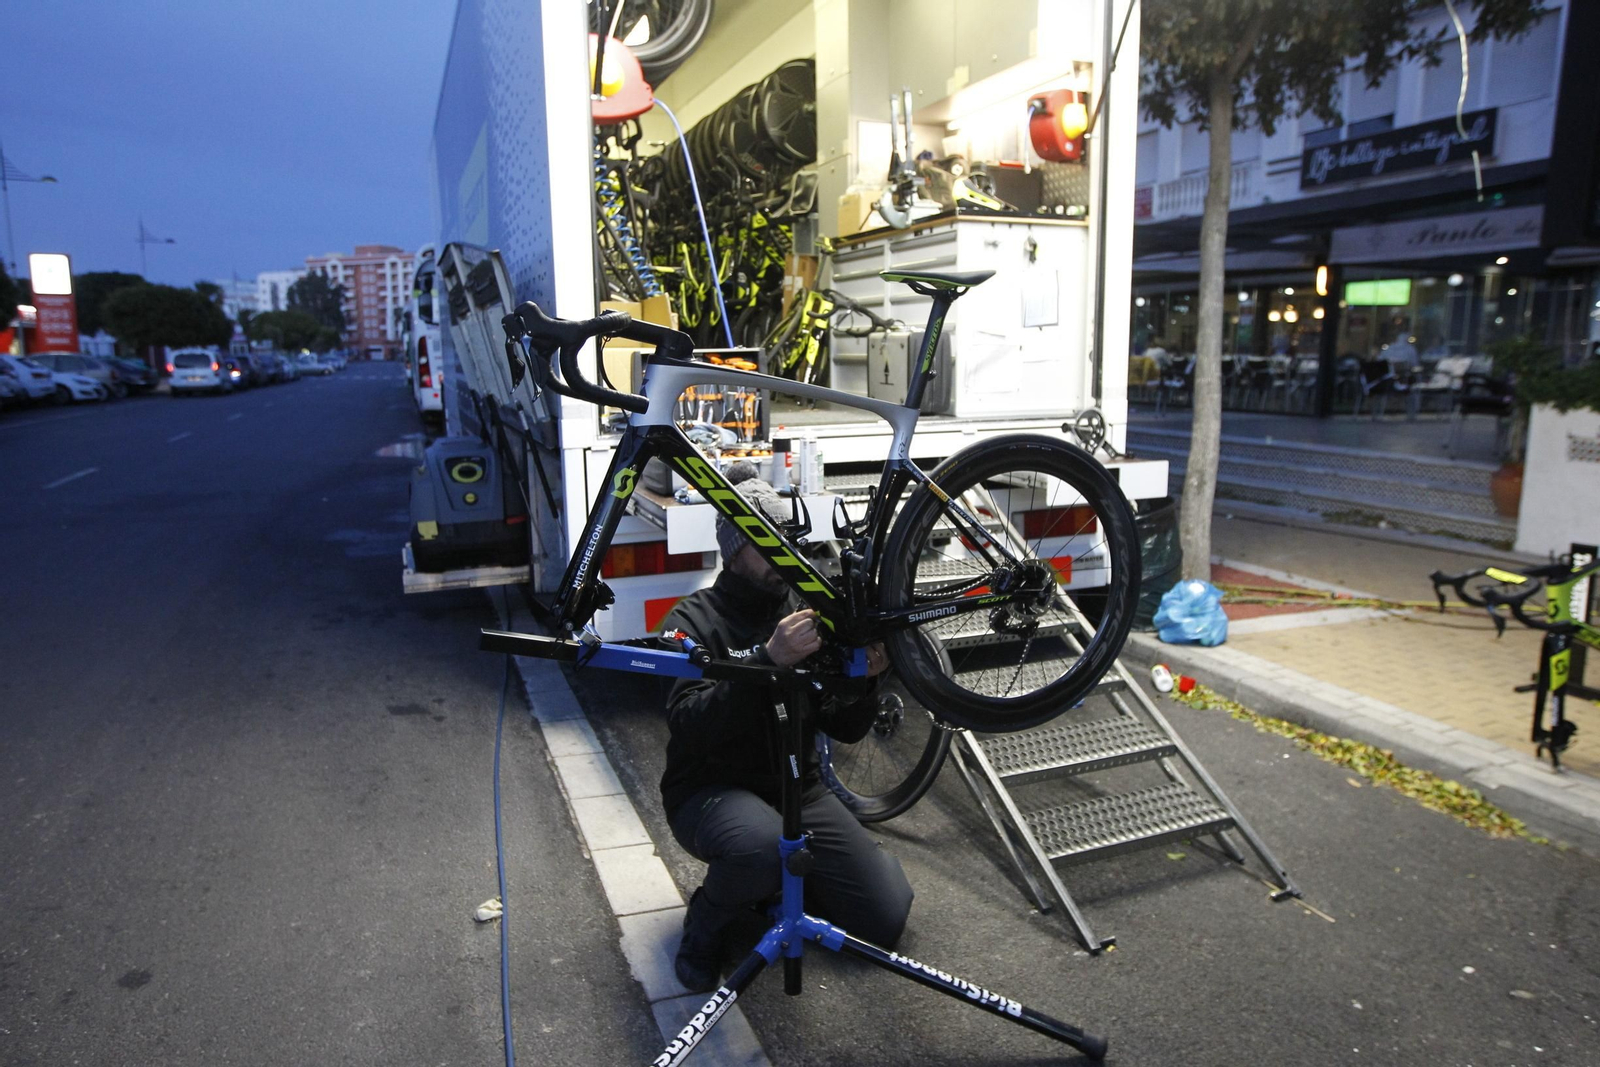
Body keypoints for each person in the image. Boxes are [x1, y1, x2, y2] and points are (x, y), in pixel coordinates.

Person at [659, 470, 913, 992]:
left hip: (798, 788)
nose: (781, 553)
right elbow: (690, 726)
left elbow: (841, 727)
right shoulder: (691, 620)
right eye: (763, 541)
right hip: (711, 790)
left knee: (886, 915)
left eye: (784, 539)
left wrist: (864, 683)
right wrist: (767, 661)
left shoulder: (803, 611)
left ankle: (773, 887)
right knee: (758, 845)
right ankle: (704, 924)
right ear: (733, 550)